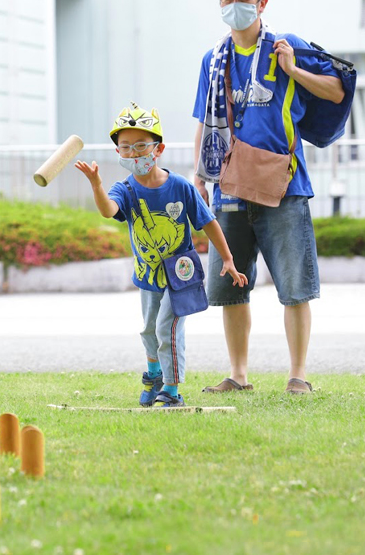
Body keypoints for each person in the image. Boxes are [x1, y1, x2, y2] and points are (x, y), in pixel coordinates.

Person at [192, 0, 345, 394]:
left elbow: (336, 90)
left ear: (262, 3)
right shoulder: (212, 59)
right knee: (230, 286)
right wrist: (200, 177)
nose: (234, 4)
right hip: (228, 185)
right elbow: (204, 119)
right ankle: (238, 375)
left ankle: (298, 375)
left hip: (284, 187)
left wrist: (293, 69)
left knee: (295, 288)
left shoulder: (285, 45)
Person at [76, 103, 247, 407]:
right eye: (125, 147)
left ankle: (171, 388)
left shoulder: (180, 186)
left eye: (141, 145)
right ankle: (154, 375)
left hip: (179, 275)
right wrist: (96, 185)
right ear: (118, 152)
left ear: (159, 149)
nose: (133, 154)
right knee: (148, 330)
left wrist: (228, 259)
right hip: (148, 274)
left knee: (166, 328)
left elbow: (208, 221)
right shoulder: (124, 189)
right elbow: (108, 210)